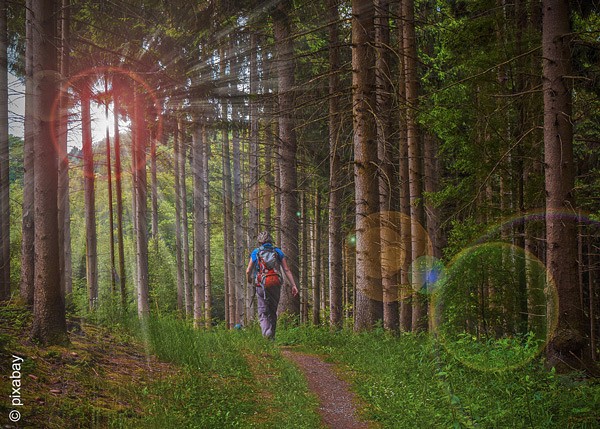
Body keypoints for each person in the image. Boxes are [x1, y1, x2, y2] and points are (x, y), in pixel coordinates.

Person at [246, 231, 298, 340]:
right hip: (275, 283)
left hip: (261, 284)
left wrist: (249, 279)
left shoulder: (256, 252)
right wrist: (294, 285)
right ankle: (272, 336)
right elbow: (286, 269)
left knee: (263, 311)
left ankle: (266, 334)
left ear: (260, 241)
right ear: (270, 240)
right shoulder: (277, 251)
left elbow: (248, 270)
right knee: (272, 311)